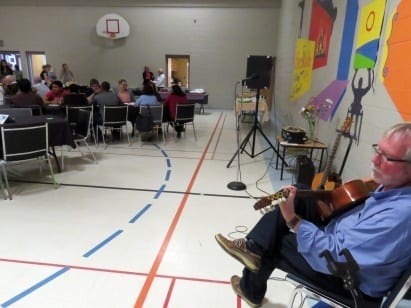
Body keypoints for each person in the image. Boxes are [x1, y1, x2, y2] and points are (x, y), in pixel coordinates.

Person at [215, 122, 411, 307]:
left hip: (350, 281)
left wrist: (293, 220)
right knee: (300, 192)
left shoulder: (400, 216)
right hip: (341, 244)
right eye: (378, 150)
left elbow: (336, 257)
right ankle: (253, 248)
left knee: (277, 240)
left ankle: (251, 285)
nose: (374, 159)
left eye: (386, 157)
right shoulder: (392, 187)